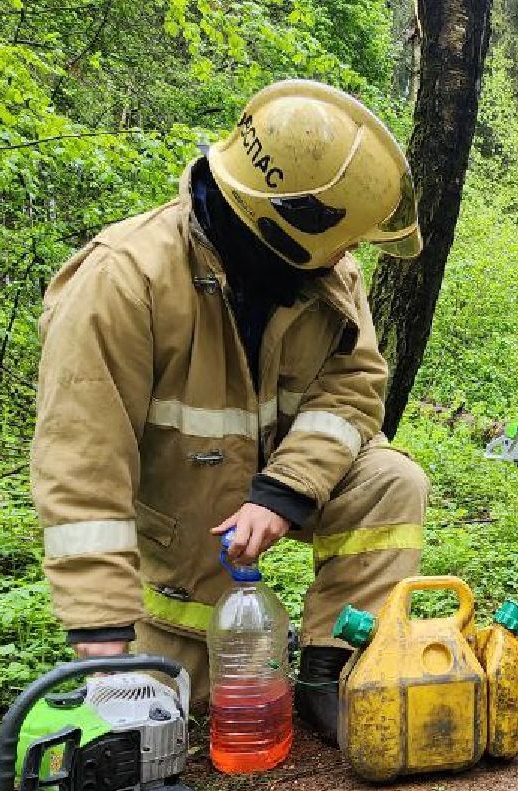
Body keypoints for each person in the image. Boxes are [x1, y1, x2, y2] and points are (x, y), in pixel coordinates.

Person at [31, 80, 430, 745]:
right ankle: (150, 665)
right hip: (178, 536)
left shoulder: (328, 278)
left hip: (273, 483)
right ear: (287, 224)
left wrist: (284, 492)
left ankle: (332, 671)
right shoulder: (121, 279)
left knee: (391, 481)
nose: (351, 253)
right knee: (168, 718)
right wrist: (103, 648)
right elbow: (82, 468)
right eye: (343, 238)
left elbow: (353, 387)